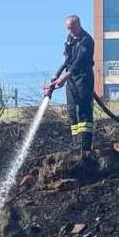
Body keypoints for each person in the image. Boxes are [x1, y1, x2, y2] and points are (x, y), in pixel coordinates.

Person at [44, 15, 96, 152]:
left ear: (79, 25)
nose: (70, 31)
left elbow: (79, 61)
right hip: (71, 81)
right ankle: (76, 145)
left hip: (83, 79)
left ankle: (85, 146)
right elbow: (67, 61)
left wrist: (65, 77)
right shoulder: (69, 40)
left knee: (83, 111)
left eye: (72, 28)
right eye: (68, 29)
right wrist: (56, 75)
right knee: (72, 111)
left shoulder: (87, 40)